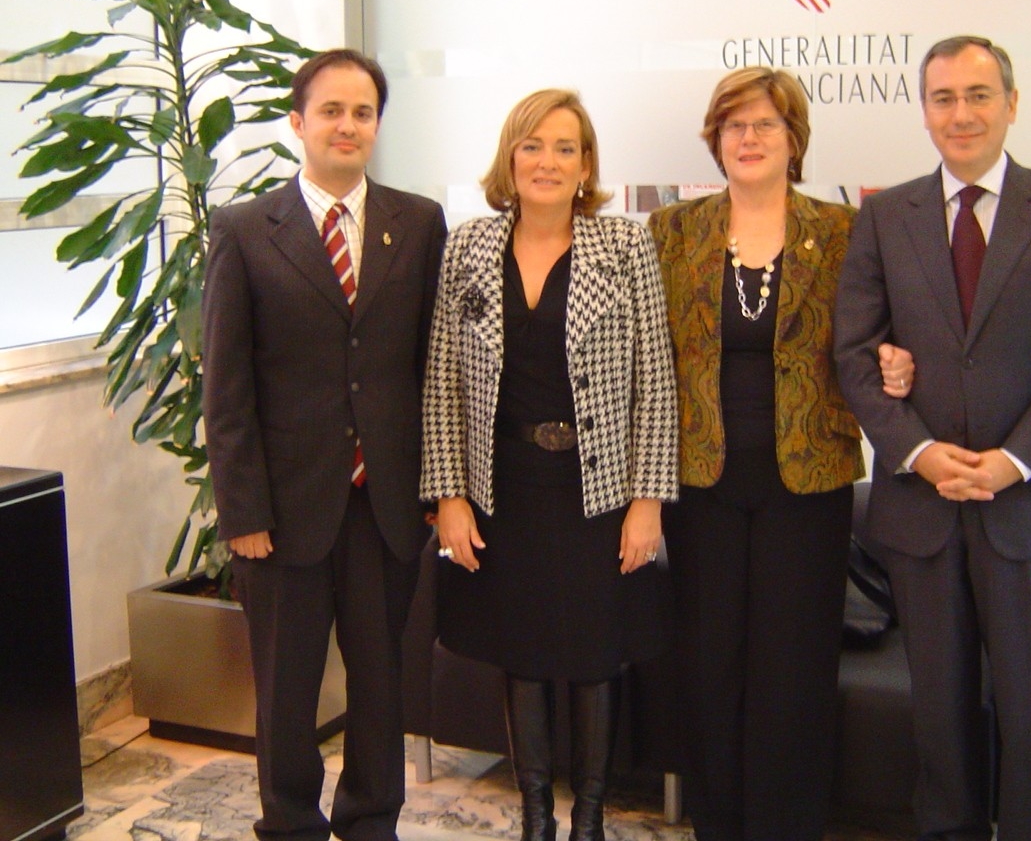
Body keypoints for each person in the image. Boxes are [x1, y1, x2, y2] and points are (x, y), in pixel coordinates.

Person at [834, 36, 1031, 841]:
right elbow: (856, 355)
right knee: (940, 717)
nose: (961, 113)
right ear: (925, 112)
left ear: (1011, 104)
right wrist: (921, 453)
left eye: (978, 94)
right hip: (923, 511)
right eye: (944, 98)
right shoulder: (885, 216)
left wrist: (1012, 461)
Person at [647, 66, 915, 841]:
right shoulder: (673, 233)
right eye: (734, 125)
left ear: (794, 138)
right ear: (715, 139)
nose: (750, 137)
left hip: (809, 482)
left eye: (766, 123)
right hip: (701, 483)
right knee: (709, 668)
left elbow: (881, 336)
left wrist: (898, 361)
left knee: (793, 671)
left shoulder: (845, 233)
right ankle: (719, 827)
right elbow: (643, 358)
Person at [421, 89, 679, 841]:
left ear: (586, 164)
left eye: (565, 148)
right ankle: (536, 816)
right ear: (510, 157)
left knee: (598, 653)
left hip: (598, 489)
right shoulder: (468, 246)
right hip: (504, 486)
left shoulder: (625, 246)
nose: (547, 161)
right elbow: (442, 380)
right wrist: (448, 496)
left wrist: (648, 501)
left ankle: (588, 820)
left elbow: (656, 380)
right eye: (532, 145)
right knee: (523, 651)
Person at [203, 48, 447, 841]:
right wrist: (243, 511)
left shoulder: (418, 224)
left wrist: (436, 489)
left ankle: (372, 819)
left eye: (363, 112)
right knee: (286, 690)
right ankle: (289, 823)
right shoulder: (245, 230)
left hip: (386, 505)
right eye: (332, 110)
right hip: (282, 512)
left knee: (381, 683)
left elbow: (432, 368)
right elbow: (226, 388)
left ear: (377, 125)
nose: (348, 125)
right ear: (297, 121)